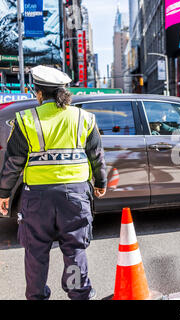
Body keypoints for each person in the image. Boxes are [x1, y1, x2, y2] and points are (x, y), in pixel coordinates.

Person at [0, 65, 107, 300]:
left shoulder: (26, 119)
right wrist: (101, 182)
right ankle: (78, 293)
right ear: (64, 92)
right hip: (76, 195)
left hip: (37, 198)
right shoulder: (84, 118)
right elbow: (96, 155)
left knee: (36, 251)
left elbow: (13, 162)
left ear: (39, 93)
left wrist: (4, 193)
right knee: (74, 248)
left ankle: (37, 296)